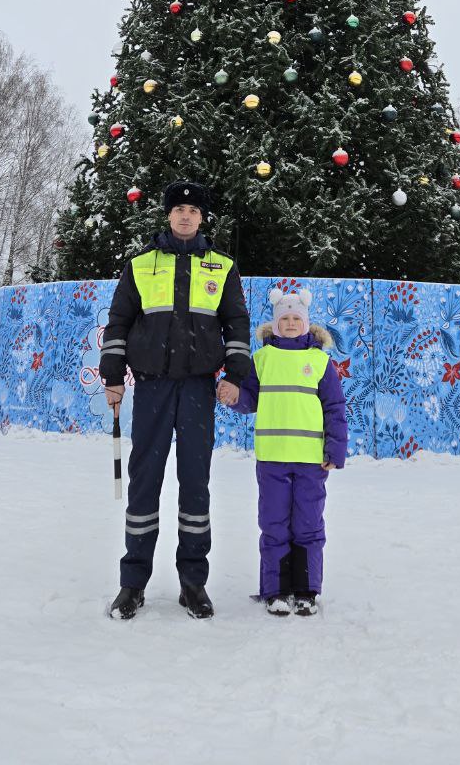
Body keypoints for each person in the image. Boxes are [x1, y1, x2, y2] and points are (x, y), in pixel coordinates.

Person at [100, 180, 249, 620]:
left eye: (194, 210)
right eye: (179, 209)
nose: (186, 215)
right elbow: (119, 321)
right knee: (144, 482)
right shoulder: (140, 265)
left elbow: (236, 323)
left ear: (203, 218)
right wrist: (113, 375)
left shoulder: (221, 267)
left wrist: (236, 375)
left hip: (199, 389)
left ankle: (193, 583)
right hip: (151, 388)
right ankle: (133, 583)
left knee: (195, 484)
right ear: (168, 215)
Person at [218, 286, 347, 615]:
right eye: (284, 318)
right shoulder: (261, 359)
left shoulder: (320, 362)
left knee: (307, 525)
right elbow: (250, 399)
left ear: (307, 323)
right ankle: (274, 590)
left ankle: (306, 590)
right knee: (274, 523)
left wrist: (335, 449)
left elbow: (335, 408)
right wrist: (234, 398)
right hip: (272, 457)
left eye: (296, 318)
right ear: (275, 325)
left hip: (310, 460)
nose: (290, 323)